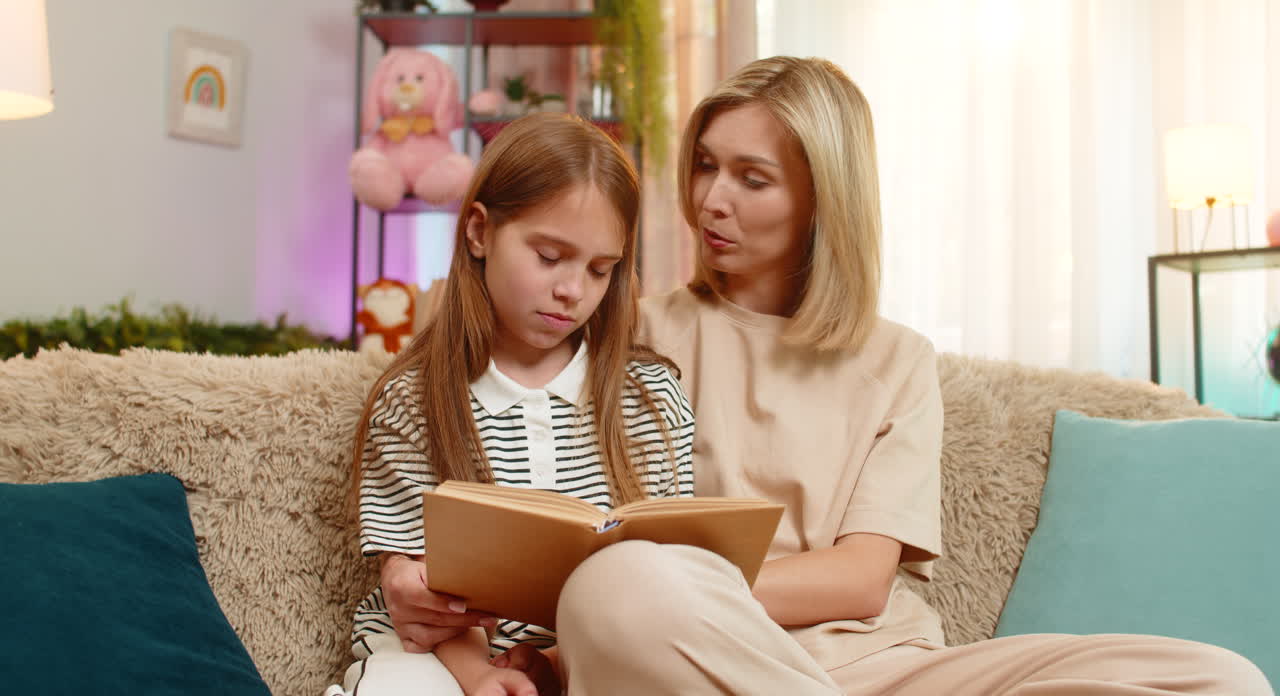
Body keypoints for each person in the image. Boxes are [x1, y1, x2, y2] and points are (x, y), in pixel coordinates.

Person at [544, 56, 1272, 695]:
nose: (711, 198)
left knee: (1221, 679)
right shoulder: (628, 334)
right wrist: (659, 603)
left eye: (752, 179)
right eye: (706, 164)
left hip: (885, 670)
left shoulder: (897, 359)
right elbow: (585, 541)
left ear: (822, 199)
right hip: (699, 657)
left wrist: (696, 588)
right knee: (613, 584)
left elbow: (861, 580)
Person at [329, 113, 695, 696]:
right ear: (479, 232)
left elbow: (667, 583)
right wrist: (481, 677)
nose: (572, 290)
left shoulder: (649, 397)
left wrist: (554, 661)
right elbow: (418, 593)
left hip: (594, 653)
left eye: (600, 270)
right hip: (437, 653)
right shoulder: (411, 400)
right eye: (549, 256)